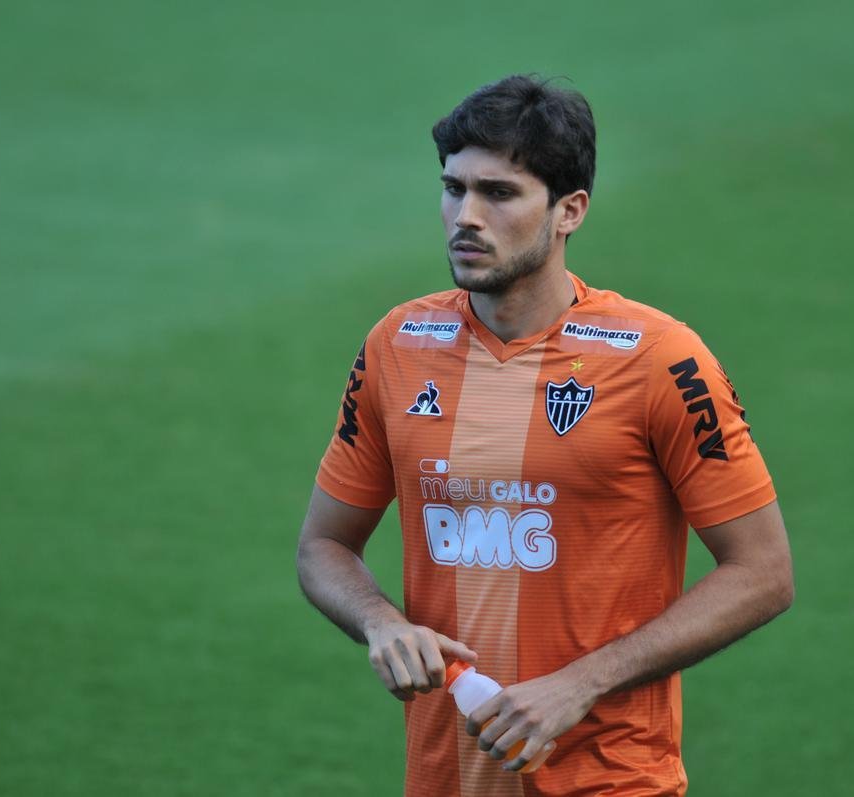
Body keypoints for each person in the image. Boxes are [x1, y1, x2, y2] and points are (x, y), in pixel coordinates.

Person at [296, 74, 794, 797]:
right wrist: (379, 622)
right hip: (445, 777)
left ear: (570, 211)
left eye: (499, 194)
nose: (466, 216)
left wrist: (579, 684)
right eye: (453, 187)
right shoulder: (398, 344)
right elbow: (322, 544)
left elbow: (764, 572)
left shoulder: (660, 359)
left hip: (612, 780)